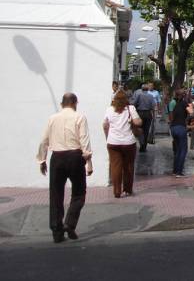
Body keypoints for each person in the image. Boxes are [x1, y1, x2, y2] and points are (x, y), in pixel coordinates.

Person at [36, 93, 93, 243]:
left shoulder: (52, 118)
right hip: (75, 156)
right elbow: (84, 140)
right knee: (79, 193)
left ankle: (57, 231)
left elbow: (44, 141)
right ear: (75, 103)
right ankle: (69, 223)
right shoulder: (80, 117)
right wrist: (89, 162)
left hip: (57, 158)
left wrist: (42, 160)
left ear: (61, 104)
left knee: (56, 194)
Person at [102, 90, 140, 198]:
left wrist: (107, 137)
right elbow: (138, 122)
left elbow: (105, 125)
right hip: (128, 142)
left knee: (115, 167)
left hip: (113, 142)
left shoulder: (109, 109)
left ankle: (117, 191)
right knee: (128, 166)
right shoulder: (130, 108)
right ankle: (127, 190)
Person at [169, 89, 194, 177]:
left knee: (177, 150)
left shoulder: (175, 104)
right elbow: (191, 112)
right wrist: (190, 105)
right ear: (183, 96)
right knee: (183, 150)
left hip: (173, 128)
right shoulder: (184, 103)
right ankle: (179, 172)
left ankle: (175, 171)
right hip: (180, 128)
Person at [130, 84, 155, 152]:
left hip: (140, 113)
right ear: (147, 89)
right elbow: (153, 106)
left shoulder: (139, 95)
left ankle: (141, 144)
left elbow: (134, 103)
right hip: (148, 114)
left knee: (140, 129)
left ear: (141, 89)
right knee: (146, 130)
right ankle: (144, 147)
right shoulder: (151, 96)